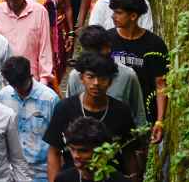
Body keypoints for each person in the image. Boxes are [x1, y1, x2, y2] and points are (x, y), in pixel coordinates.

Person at [44, 53, 139, 181]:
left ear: (110, 81)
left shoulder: (121, 111)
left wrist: (133, 177)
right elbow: (54, 151)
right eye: (90, 77)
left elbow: (129, 152)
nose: (96, 83)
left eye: (102, 78)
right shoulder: (64, 108)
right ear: (81, 78)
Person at [107, 0, 168, 132]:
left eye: (118, 13)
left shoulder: (154, 45)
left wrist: (159, 121)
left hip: (144, 116)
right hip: (111, 114)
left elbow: (161, 84)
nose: (113, 16)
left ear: (133, 16)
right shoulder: (107, 40)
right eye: (113, 12)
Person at [66, 26, 148, 128]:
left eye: (97, 51)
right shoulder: (75, 76)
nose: (93, 58)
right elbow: (69, 112)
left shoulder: (127, 76)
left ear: (108, 48)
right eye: (89, 52)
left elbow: (139, 116)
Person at [0, 56, 59, 182]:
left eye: (21, 85)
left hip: (42, 172)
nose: (18, 89)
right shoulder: (3, 96)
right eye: (14, 86)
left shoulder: (50, 99)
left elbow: (57, 142)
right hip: (12, 171)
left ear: (30, 76)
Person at [0, 0, 54, 86]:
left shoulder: (39, 11)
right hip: (4, 81)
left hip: (33, 79)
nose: (12, 4)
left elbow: (45, 47)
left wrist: (44, 79)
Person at [54, 117, 133, 182]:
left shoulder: (119, 180)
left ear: (102, 151)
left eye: (83, 151)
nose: (75, 156)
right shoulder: (63, 179)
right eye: (72, 149)